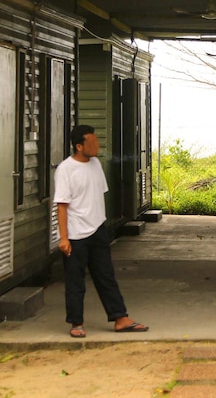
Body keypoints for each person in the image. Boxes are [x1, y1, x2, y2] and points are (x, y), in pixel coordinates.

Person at [54, 124, 148, 338]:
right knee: (75, 281)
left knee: (106, 276)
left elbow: (98, 194)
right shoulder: (65, 169)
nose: (97, 145)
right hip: (76, 234)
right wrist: (64, 238)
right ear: (79, 146)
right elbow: (61, 205)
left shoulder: (96, 164)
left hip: (98, 230)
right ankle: (76, 323)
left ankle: (120, 318)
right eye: (92, 142)